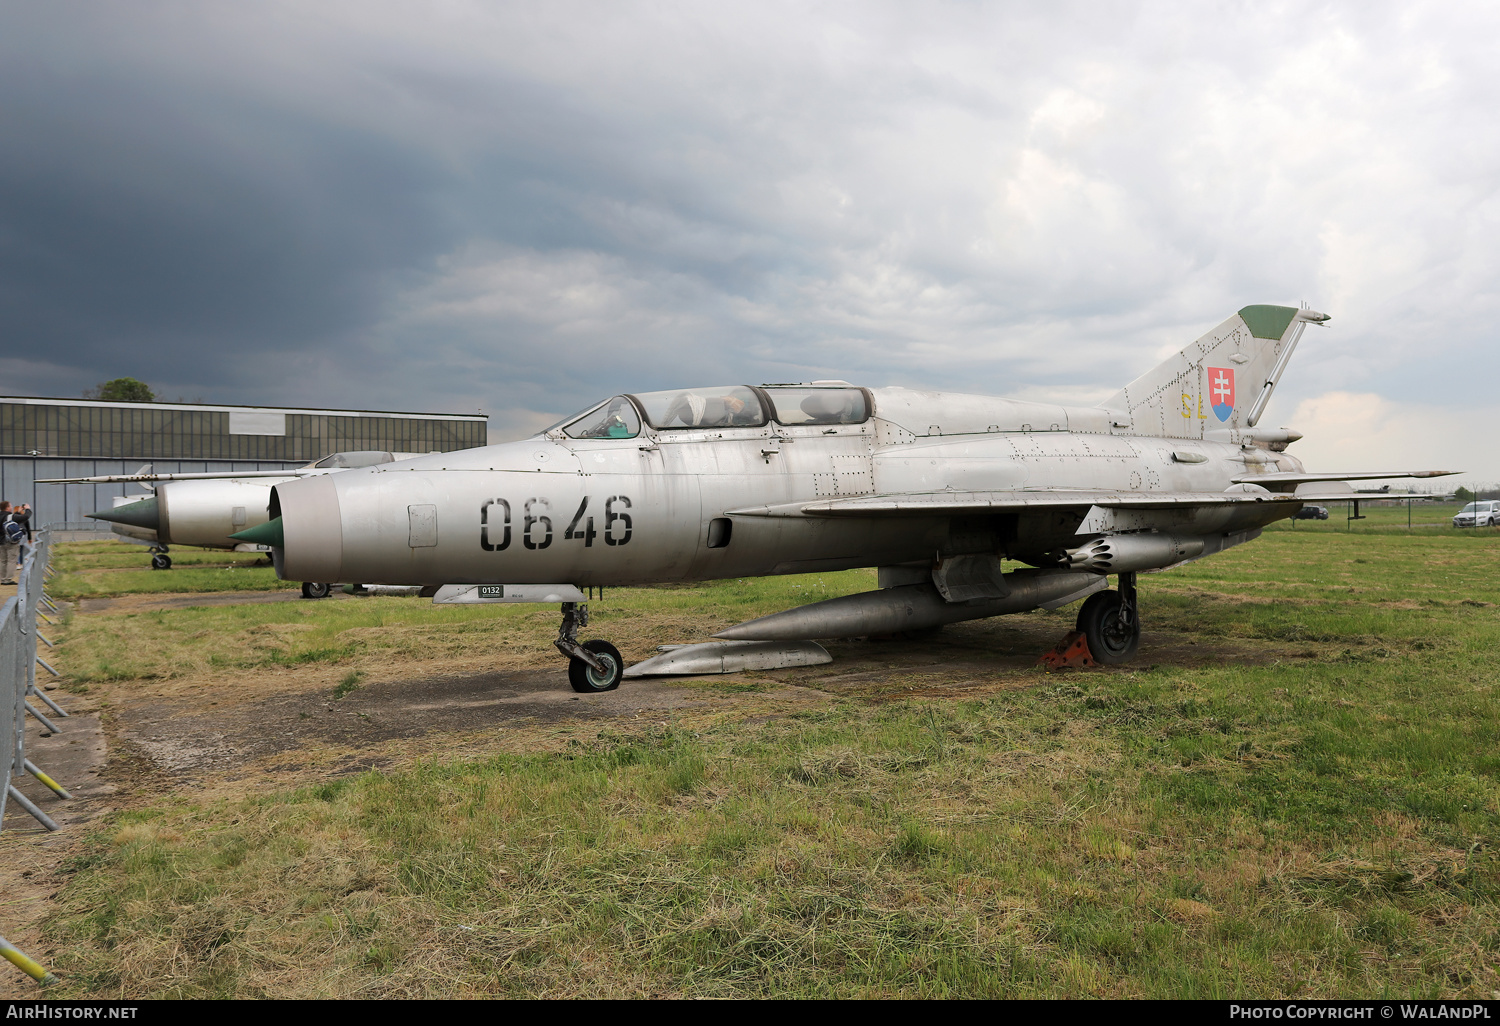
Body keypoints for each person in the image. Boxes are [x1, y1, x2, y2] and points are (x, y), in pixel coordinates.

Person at [0, 500, 18, 585]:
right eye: (10, 506)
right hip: (9, 541)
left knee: (2, 560)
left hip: (1, 541)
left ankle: (3, 579)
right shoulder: (10, 516)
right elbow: (25, 517)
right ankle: (8, 579)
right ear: (7, 507)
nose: (11, 507)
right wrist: (27, 509)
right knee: (11, 560)